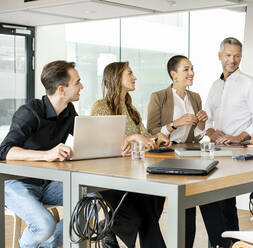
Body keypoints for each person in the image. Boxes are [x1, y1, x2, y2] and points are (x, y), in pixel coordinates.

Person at [147, 55, 228, 248]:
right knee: (185, 206)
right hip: (167, 156)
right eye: (186, 69)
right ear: (173, 74)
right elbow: (151, 131)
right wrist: (174, 124)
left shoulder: (195, 97)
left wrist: (201, 124)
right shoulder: (158, 97)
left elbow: (198, 135)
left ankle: (221, 243)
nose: (191, 73)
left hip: (190, 153)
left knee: (205, 196)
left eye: (192, 69)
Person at [0, 60, 83, 247]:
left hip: (46, 183)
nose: (82, 86)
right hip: (15, 183)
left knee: (90, 201)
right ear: (61, 89)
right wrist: (46, 155)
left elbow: (84, 137)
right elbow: (4, 151)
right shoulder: (29, 112)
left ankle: (48, 244)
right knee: (45, 224)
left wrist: (123, 140)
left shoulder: (68, 111)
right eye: (77, 82)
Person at [91, 61, 171, 248]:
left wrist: (156, 138)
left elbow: (142, 139)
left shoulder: (131, 109)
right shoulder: (101, 107)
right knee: (144, 216)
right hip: (110, 176)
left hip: (134, 173)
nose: (135, 77)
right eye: (130, 73)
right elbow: (102, 145)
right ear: (116, 78)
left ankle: (108, 226)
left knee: (153, 202)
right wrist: (134, 137)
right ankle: (108, 226)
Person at [203, 37, 253, 243]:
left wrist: (238, 137)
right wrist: (212, 132)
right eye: (229, 55)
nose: (233, 60)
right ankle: (224, 243)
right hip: (215, 150)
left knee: (224, 201)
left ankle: (228, 243)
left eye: (237, 55)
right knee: (215, 199)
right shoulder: (214, 86)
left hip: (238, 151)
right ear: (220, 56)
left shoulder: (250, 83)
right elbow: (207, 119)